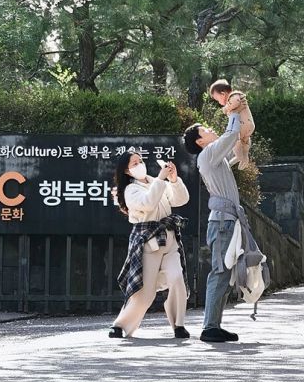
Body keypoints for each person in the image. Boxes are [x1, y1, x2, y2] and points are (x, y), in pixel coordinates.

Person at [183, 108, 268, 343]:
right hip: (222, 223)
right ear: (200, 141)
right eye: (206, 130)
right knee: (220, 271)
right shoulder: (207, 154)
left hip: (226, 222)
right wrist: (234, 111)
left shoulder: (212, 157)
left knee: (225, 272)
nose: (211, 130)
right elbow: (230, 135)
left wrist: (243, 147)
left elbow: (236, 156)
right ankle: (209, 326)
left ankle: (214, 325)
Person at [110, 151, 191, 340]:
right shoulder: (131, 190)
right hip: (148, 241)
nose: (140, 165)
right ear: (127, 171)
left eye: (140, 161)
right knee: (145, 293)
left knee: (177, 278)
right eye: (134, 163)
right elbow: (148, 204)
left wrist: (174, 179)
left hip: (169, 238)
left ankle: (178, 324)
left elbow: (180, 200)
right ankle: (121, 325)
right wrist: (161, 180)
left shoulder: (156, 181)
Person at [209, 80, 255, 168]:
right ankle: (244, 156)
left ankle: (240, 157)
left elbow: (235, 102)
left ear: (223, 94)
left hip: (242, 126)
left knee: (234, 141)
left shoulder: (234, 96)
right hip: (248, 126)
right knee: (244, 142)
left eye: (217, 99)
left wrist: (226, 108)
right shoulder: (236, 97)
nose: (219, 103)